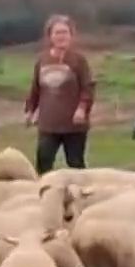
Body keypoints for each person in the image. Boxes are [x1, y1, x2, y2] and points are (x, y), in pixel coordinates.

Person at [25, 14, 96, 175]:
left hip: (74, 124)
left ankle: (80, 190)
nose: (61, 36)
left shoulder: (79, 60)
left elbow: (88, 87)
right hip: (48, 123)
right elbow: (36, 88)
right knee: (43, 161)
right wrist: (30, 110)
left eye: (65, 32)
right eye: (57, 33)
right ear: (50, 36)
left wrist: (82, 108)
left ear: (71, 35)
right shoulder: (42, 60)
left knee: (75, 163)